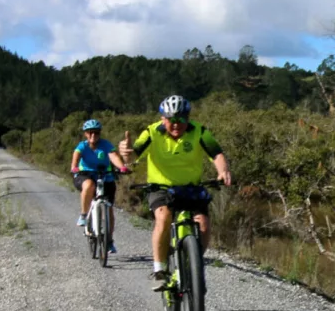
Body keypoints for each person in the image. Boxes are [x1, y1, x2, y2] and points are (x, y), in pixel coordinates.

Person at [118, 95, 232, 290]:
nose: (177, 124)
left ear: (188, 118)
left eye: (181, 119)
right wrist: (126, 153)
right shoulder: (152, 132)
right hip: (160, 188)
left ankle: (193, 263)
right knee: (164, 217)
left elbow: (216, 153)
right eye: (172, 119)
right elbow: (134, 153)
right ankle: (160, 269)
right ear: (163, 119)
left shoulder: (199, 131)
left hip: (191, 187)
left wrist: (223, 171)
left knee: (203, 225)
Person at [71, 119, 129, 254]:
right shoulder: (82, 146)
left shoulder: (105, 144)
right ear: (86, 134)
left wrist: (121, 167)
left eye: (96, 133)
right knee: (89, 185)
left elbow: (113, 155)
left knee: (108, 209)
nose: (93, 136)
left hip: (104, 176)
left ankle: (109, 241)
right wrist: (74, 167)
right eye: (90, 133)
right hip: (85, 175)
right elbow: (76, 155)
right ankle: (84, 215)